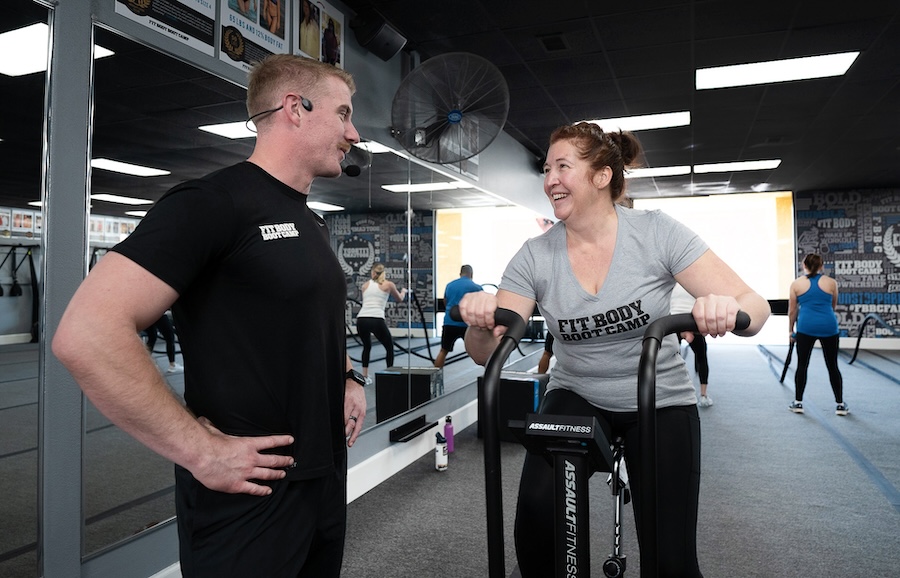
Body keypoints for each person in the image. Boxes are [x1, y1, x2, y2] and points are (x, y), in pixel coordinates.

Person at [52, 54, 366, 577]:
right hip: (249, 498)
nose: (353, 133)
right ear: (295, 107)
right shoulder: (212, 202)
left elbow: (304, 321)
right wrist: (199, 450)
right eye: (343, 113)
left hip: (321, 481)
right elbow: (86, 332)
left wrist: (348, 376)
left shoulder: (308, 220)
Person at [458, 121, 770, 577]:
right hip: (577, 394)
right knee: (539, 521)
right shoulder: (534, 256)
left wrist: (727, 308)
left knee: (671, 555)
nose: (550, 180)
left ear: (602, 176)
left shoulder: (655, 232)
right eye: (547, 169)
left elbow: (755, 306)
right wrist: (482, 321)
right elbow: (486, 354)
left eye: (563, 167)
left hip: (657, 396)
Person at [787, 253, 847, 415]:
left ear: (803, 265)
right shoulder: (831, 283)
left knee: (802, 365)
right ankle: (840, 405)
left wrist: (790, 330)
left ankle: (798, 403)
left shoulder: (796, 284)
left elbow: (792, 311)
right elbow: (833, 306)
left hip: (806, 327)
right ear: (821, 266)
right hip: (829, 326)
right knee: (832, 366)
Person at [356, 263, 407, 383]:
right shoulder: (388, 285)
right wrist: (404, 291)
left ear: (372, 272)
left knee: (366, 346)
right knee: (389, 347)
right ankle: (389, 374)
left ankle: (365, 376)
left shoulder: (365, 285)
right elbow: (399, 299)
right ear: (383, 273)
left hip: (362, 319)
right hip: (376, 319)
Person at [670, 283, 712, 407]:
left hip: (673, 323)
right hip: (692, 322)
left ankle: (673, 394)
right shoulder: (696, 282)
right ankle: (703, 396)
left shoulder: (671, 282)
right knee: (701, 357)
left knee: (670, 358)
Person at [434, 264, 483, 368]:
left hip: (449, 322)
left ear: (460, 273)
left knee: (443, 351)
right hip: (467, 325)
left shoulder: (450, 285)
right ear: (471, 274)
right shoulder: (476, 287)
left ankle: (434, 377)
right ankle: (489, 378)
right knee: (481, 352)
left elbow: (445, 301)